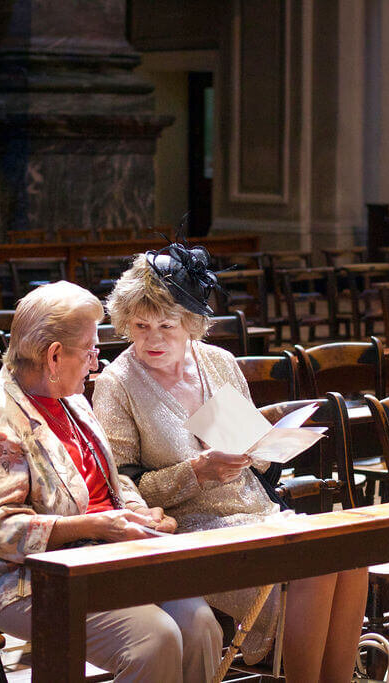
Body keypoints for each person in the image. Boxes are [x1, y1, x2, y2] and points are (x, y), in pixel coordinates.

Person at [93, 246, 368, 683]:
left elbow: (258, 464)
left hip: (256, 512)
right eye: (140, 326)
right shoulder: (117, 383)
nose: (153, 339)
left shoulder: (217, 363)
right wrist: (197, 472)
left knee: (351, 559)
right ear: (126, 323)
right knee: (313, 571)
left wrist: (266, 449)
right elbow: (122, 488)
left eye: (167, 326)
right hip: (188, 529)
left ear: (192, 325)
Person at [0, 280, 222, 683]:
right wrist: (97, 526)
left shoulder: (73, 397)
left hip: (103, 557)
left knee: (201, 625)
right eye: (90, 350)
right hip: (24, 578)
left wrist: (136, 513)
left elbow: (112, 481)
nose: (97, 362)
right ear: (55, 355)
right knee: (154, 640)